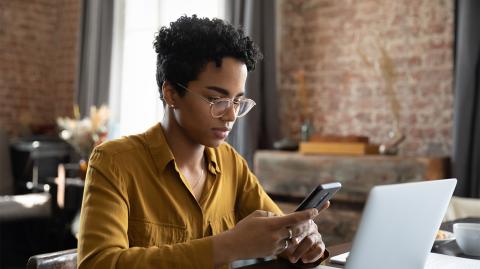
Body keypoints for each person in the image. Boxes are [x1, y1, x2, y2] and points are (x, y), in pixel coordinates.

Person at [77, 15, 328, 269]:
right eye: (216, 100)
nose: (230, 115)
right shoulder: (114, 163)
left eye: (237, 101)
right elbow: (98, 264)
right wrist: (229, 245)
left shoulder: (231, 164)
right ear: (171, 93)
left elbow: (278, 230)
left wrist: (300, 242)